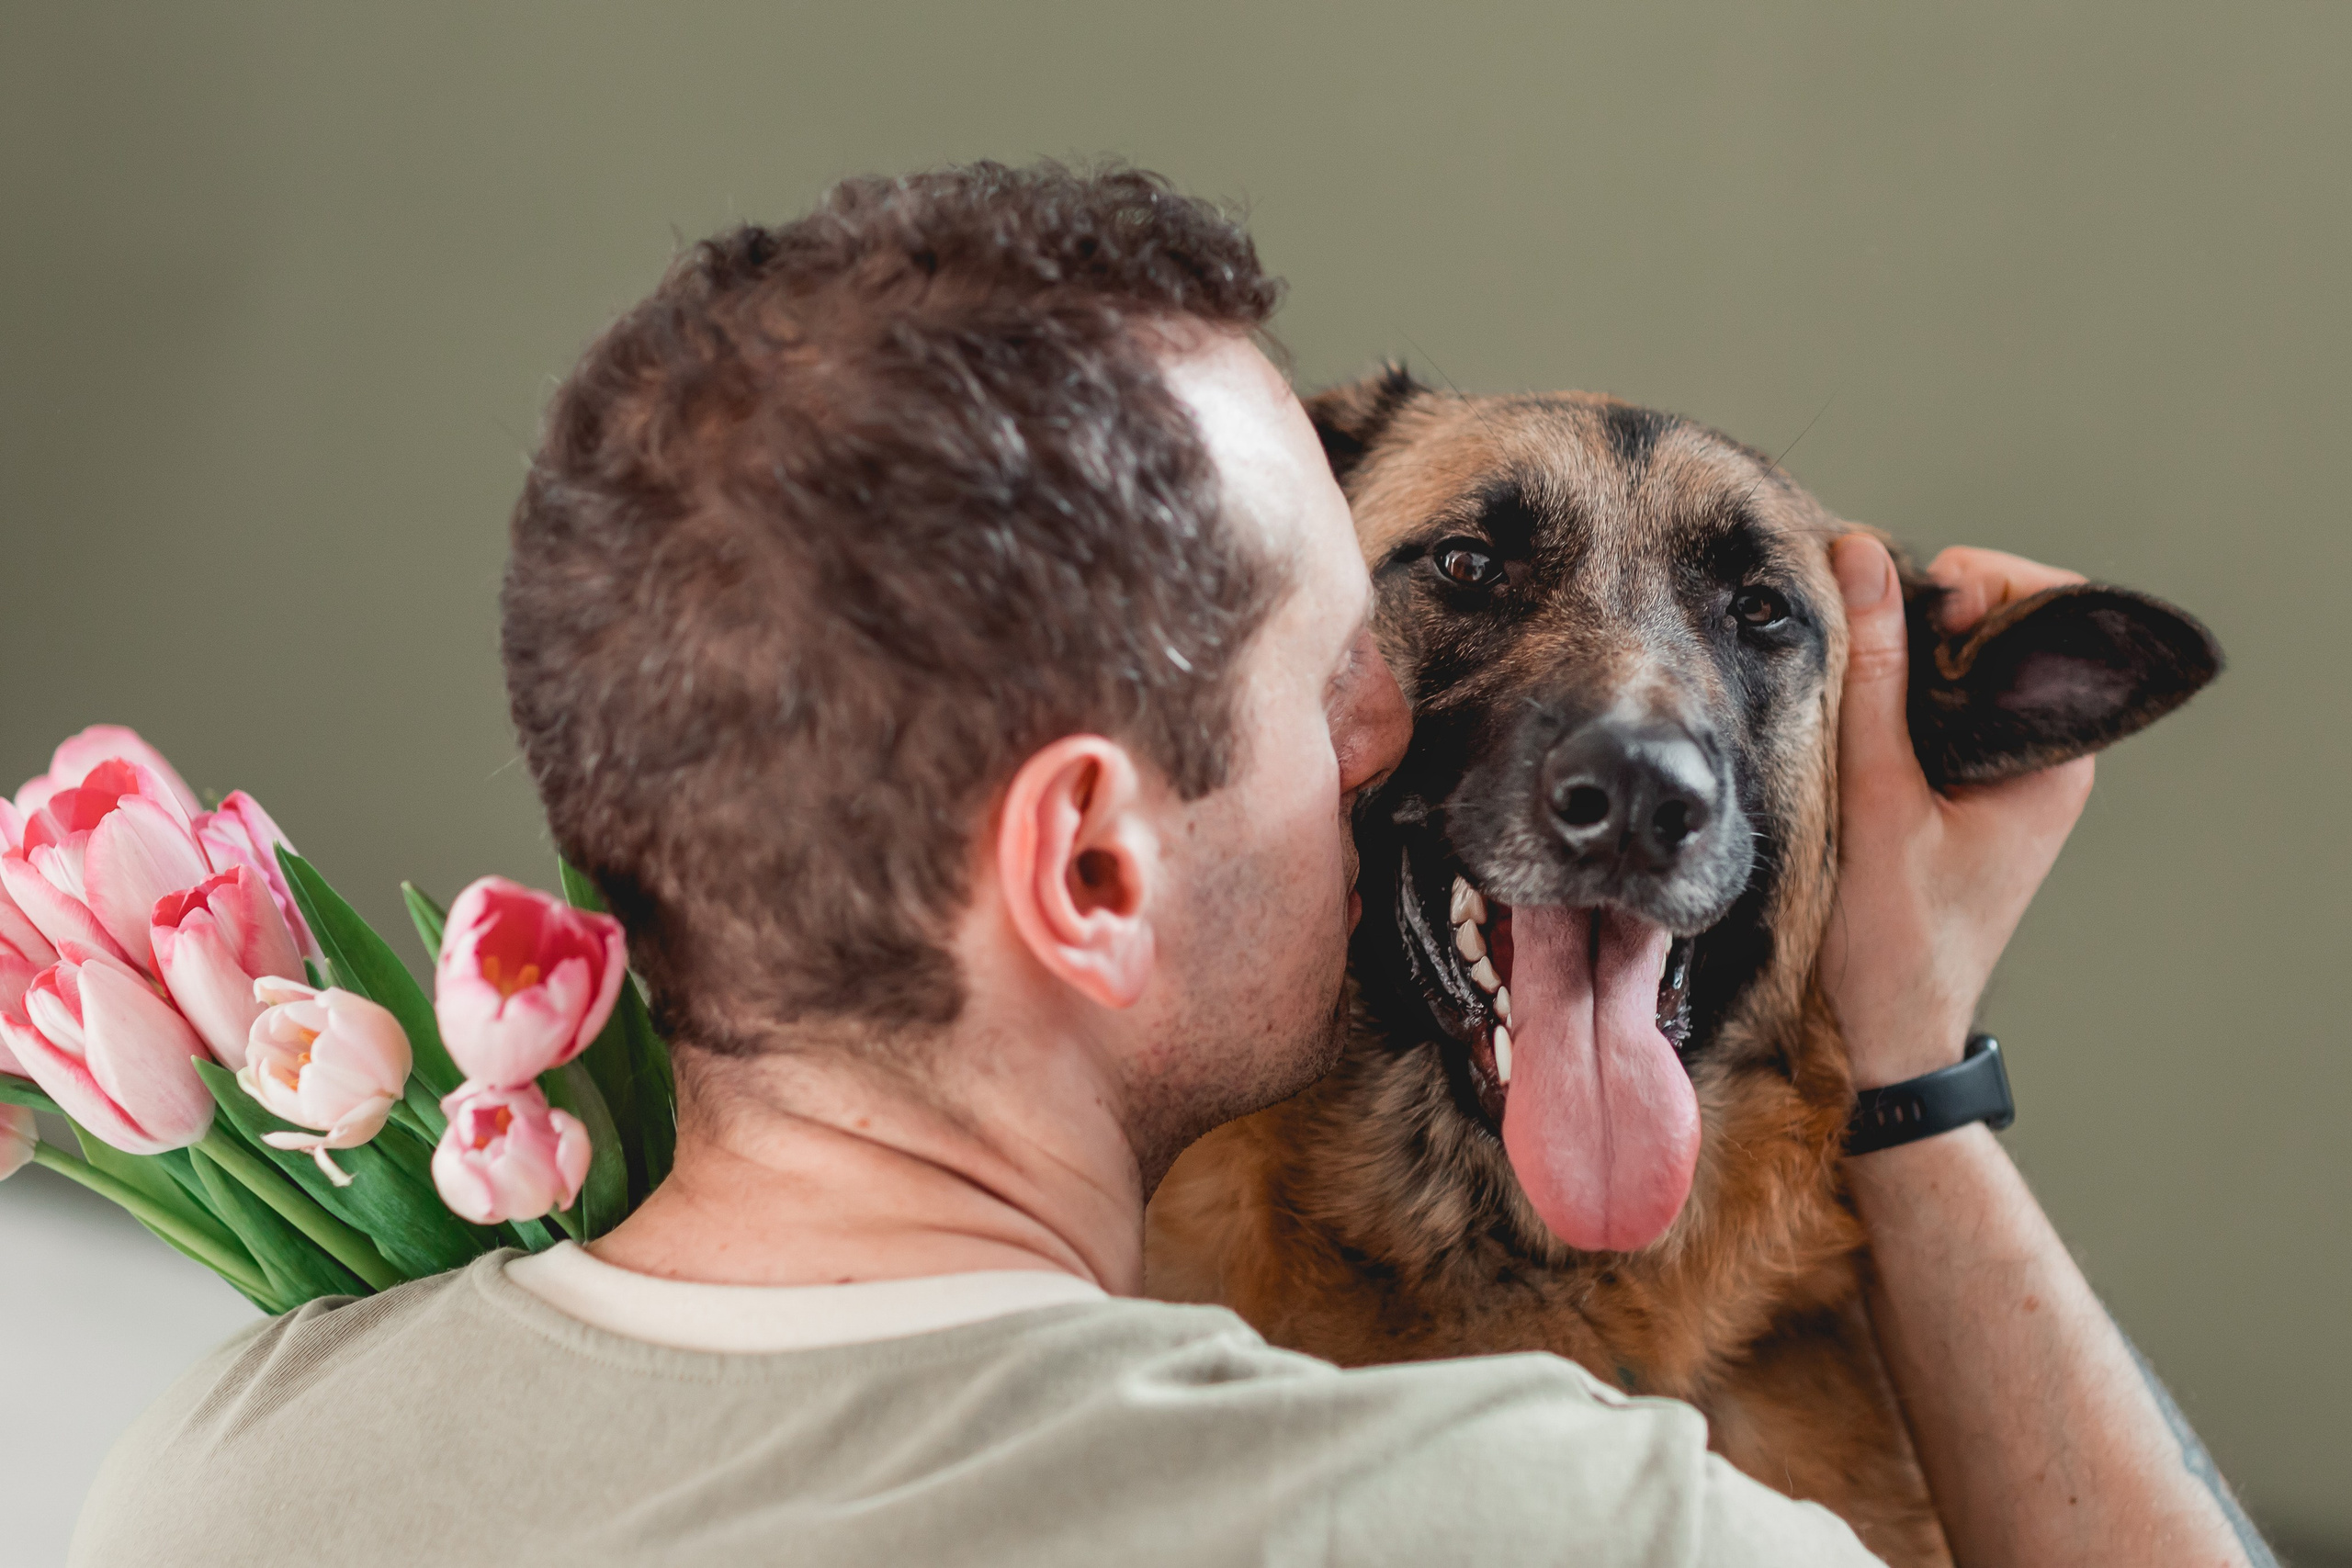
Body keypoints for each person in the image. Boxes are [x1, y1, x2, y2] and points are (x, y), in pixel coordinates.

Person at [70, 162, 2271, 1568]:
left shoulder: (216, 1466)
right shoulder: (1547, 1528)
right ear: (1092, 865)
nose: (1386, 744)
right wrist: (1918, 1057)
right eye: (1349, 678)